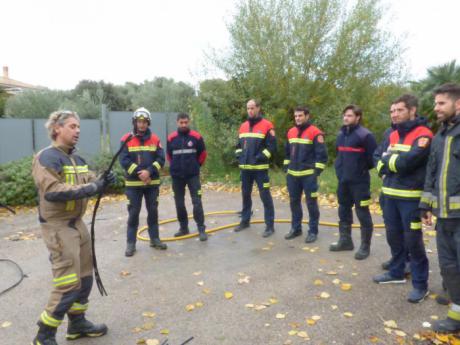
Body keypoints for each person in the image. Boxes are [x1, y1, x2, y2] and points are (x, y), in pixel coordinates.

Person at [32, 110, 114, 345]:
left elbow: (89, 179)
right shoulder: (47, 158)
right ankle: (43, 336)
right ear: (57, 129)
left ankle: (77, 324)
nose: (77, 130)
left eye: (78, 127)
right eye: (72, 126)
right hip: (58, 228)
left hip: (78, 225)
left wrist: (104, 180)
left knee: (85, 279)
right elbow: (52, 191)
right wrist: (91, 189)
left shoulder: (77, 159)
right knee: (67, 285)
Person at [373, 95, 432, 303]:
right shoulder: (392, 133)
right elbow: (377, 157)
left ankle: (420, 285)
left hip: (410, 198)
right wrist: (385, 163)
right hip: (389, 195)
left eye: (399, 110)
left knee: (412, 242)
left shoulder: (423, 134)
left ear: (412, 110)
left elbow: (409, 162)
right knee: (394, 237)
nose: (394, 114)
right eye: (392, 111)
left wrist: (387, 162)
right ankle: (397, 272)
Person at [420, 83, 460, 332]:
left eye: (441, 103)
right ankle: (457, 310)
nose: (436, 108)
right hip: (444, 217)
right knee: (449, 266)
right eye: (435, 103)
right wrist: (425, 204)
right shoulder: (440, 137)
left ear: (458, 104)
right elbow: (431, 173)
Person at [330, 105, 377, 259]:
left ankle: (365, 246)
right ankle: (345, 241)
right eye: (345, 115)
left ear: (358, 117)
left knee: (362, 212)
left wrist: (359, 170)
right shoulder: (340, 134)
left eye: (349, 115)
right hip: (343, 181)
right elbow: (339, 155)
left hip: (360, 182)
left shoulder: (366, 136)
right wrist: (339, 170)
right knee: (343, 209)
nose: (346, 118)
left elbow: (373, 160)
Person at [119, 107, 167, 257]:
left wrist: (149, 172)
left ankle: (154, 239)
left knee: (153, 212)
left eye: (144, 122)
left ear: (148, 123)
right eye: (139, 122)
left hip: (151, 184)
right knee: (133, 214)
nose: (142, 125)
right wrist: (140, 172)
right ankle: (131, 244)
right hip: (133, 185)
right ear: (135, 122)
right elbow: (124, 160)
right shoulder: (126, 139)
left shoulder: (155, 139)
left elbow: (161, 159)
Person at [283, 106, 328, 243]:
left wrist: (316, 172)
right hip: (292, 176)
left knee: (311, 204)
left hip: (308, 176)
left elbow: (322, 156)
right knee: (294, 203)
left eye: (300, 116)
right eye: (296, 116)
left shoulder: (315, 133)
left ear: (307, 116)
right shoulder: (291, 132)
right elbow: (286, 153)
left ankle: (313, 231)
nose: (297, 118)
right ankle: (296, 229)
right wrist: (286, 167)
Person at [234, 99, 276, 237]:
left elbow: (272, 147)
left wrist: (259, 158)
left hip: (260, 169)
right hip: (245, 169)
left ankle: (269, 226)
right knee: (245, 195)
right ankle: (245, 221)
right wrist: (239, 157)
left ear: (258, 108)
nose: (250, 111)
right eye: (248, 108)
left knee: (265, 197)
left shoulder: (267, 125)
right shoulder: (243, 126)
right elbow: (238, 147)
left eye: (252, 108)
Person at [167, 113, 208, 241]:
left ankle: (201, 228)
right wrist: (175, 167)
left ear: (189, 122)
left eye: (186, 122)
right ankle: (183, 228)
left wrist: (196, 165)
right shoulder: (171, 138)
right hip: (177, 176)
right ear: (177, 123)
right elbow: (169, 155)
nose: (184, 125)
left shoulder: (196, 137)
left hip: (192, 176)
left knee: (197, 202)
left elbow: (203, 153)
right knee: (179, 203)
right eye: (181, 122)